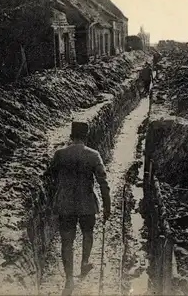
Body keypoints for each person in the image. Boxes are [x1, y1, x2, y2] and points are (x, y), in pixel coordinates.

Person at [49, 122, 111, 295]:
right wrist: (107, 206)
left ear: (71, 136)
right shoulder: (93, 155)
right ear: (86, 136)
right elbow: (103, 183)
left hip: (66, 204)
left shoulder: (60, 154)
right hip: (87, 204)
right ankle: (84, 262)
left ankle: (69, 279)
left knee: (67, 241)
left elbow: (51, 176)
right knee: (88, 233)